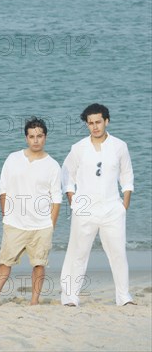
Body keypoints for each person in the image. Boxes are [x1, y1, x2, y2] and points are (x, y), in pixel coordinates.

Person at [60, 103, 134, 306]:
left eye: (98, 122)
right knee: (78, 253)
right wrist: (73, 200)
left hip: (112, 208)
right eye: (90, 123)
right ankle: (70, 297)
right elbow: (67, 174)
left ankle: (124, 297)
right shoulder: (78, 148)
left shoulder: (120, 146)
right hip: (84, 209)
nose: (95, 127)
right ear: (87, 124)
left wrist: (124, 203)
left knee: (118, 253)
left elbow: (127, 175)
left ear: (106, 121)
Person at [0, 117, 62, 306]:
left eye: (39, 136)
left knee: (39, 264)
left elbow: (56, 198)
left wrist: (50, 224)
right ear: (26, 138)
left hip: (41, 225)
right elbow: (3, 187)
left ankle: (34, 302)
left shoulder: (53, 165)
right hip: (14, 223)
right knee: (4, 263)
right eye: (32, 136)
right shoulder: (13, 158)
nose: (36, 140)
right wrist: (6, 214)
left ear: (45, 137)